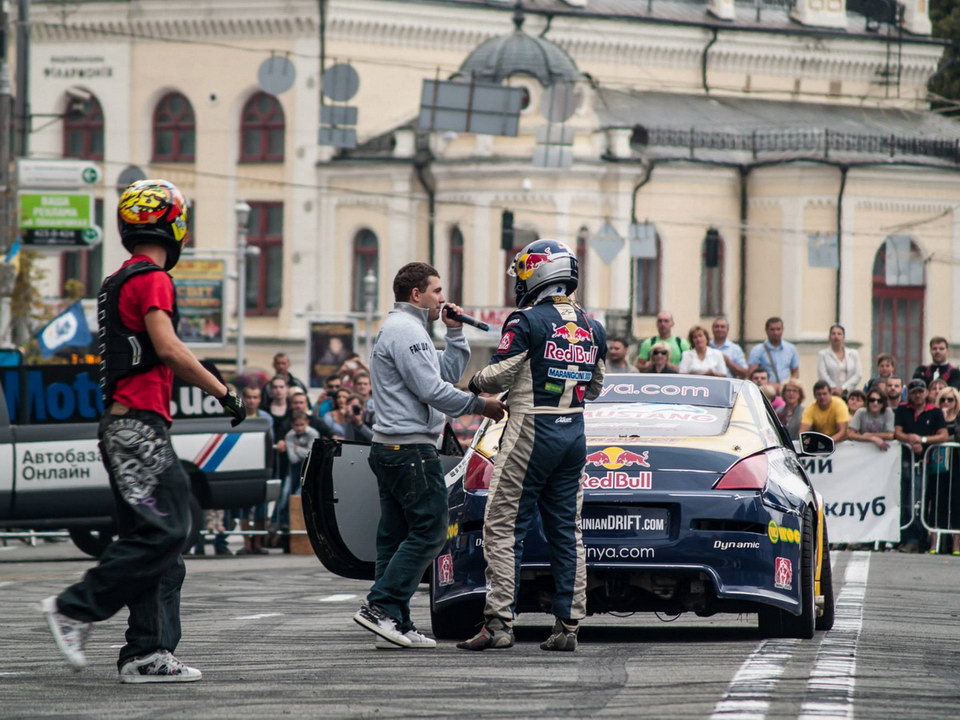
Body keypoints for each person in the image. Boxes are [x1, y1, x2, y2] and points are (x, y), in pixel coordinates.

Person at [40, 179, 245, 682]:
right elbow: (169, 349)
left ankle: (146, 653)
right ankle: (75, 608)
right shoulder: (153, 278)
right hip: (138, 426)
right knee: (172, 527)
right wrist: (224, 391)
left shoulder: (115, 281)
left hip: (121, 424)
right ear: (176, 224)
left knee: (153, 539)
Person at [458, 238, 607, 653]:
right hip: (574, 433)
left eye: (523, 271)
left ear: (537, 273)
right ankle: (568, 626)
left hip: (531, 430)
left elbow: (500, 374)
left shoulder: (525, 320)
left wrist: (475, 382)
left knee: (503, 524)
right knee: (567, 530)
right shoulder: (593, 326)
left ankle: (499, 623)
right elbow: (595, 388)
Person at [352, 262, 505, 649]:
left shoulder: (408, 330)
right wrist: (481, 405)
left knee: (395, 536)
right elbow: (433, 392)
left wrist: (455, 333)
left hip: (392, 446)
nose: (443, 297)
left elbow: (444, 373)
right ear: (416, 294)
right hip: (409, 449)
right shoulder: (407, 331)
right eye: (436, 290)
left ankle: (394, 623)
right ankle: (382, 607)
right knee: (431, 530)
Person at [894, 379, 949, 553]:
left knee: (919, 500)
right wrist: (910, 439)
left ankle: (917, 539)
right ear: (909, 394)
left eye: (920, 391)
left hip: (925, 461)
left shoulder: (935, 412)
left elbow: (943, 435)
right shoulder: (903, 409)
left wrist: (923, 440)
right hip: (905, 460)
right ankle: (905, 537)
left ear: (926, 393)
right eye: (914, 392)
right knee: (905, 500)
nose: (917, 395)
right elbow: (898, 432)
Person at [237, 386, 272, 555]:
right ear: (244, 398)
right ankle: (246, 543)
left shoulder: (266, 418)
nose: (252, 401)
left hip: (261, 465)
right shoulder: (238, 413)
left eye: (255, 397)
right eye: (249, 397)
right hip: (243, 463)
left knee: (261, 506)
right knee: (243, 505)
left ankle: (257, 542)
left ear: (260, 399)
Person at [929, 387, 960, 555]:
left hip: (956, 464)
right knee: (937, 502)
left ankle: (956, 544)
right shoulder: (935, 416)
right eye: (943, 400)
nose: (946, 403)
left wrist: (946, 435)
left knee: (956, 503)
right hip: (938, 465)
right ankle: (934, 542)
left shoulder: (959, 418)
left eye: (950, 400)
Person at [276, 411, 320, 529]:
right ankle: (283, 522)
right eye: (296, 425)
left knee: (299, 494)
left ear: (307, 423)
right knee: (286, 494)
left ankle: (300, 524)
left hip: (309, 468)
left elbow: (312, 454)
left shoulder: (313, 433)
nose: (299, 428)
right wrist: (304, 450)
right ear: (292, 425)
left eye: (302, 425)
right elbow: (293, 459)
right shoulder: (289, 435)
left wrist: (297, 448)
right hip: (294, 469)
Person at [747, 317, 800, 392]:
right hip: (765, 391)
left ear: (783, 330)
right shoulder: (757, 350)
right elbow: (752, 374)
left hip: (785, 392)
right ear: (766, 330)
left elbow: (795, 372)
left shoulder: (791, 349)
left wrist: (789, 385)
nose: (775, 332)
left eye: (778, 329)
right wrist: (770, 386)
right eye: (772, 329)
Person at [816, 324, 862, 396]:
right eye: (833, 334)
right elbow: (822, 374)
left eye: (839, 334)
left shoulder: (854, 354)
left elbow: (858, 375)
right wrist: (834, 388)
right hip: (831, 394)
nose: (836, 336)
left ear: (843, 337)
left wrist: (843, 388)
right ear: (829, 337)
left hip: (850, 394)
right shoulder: (823, 354)